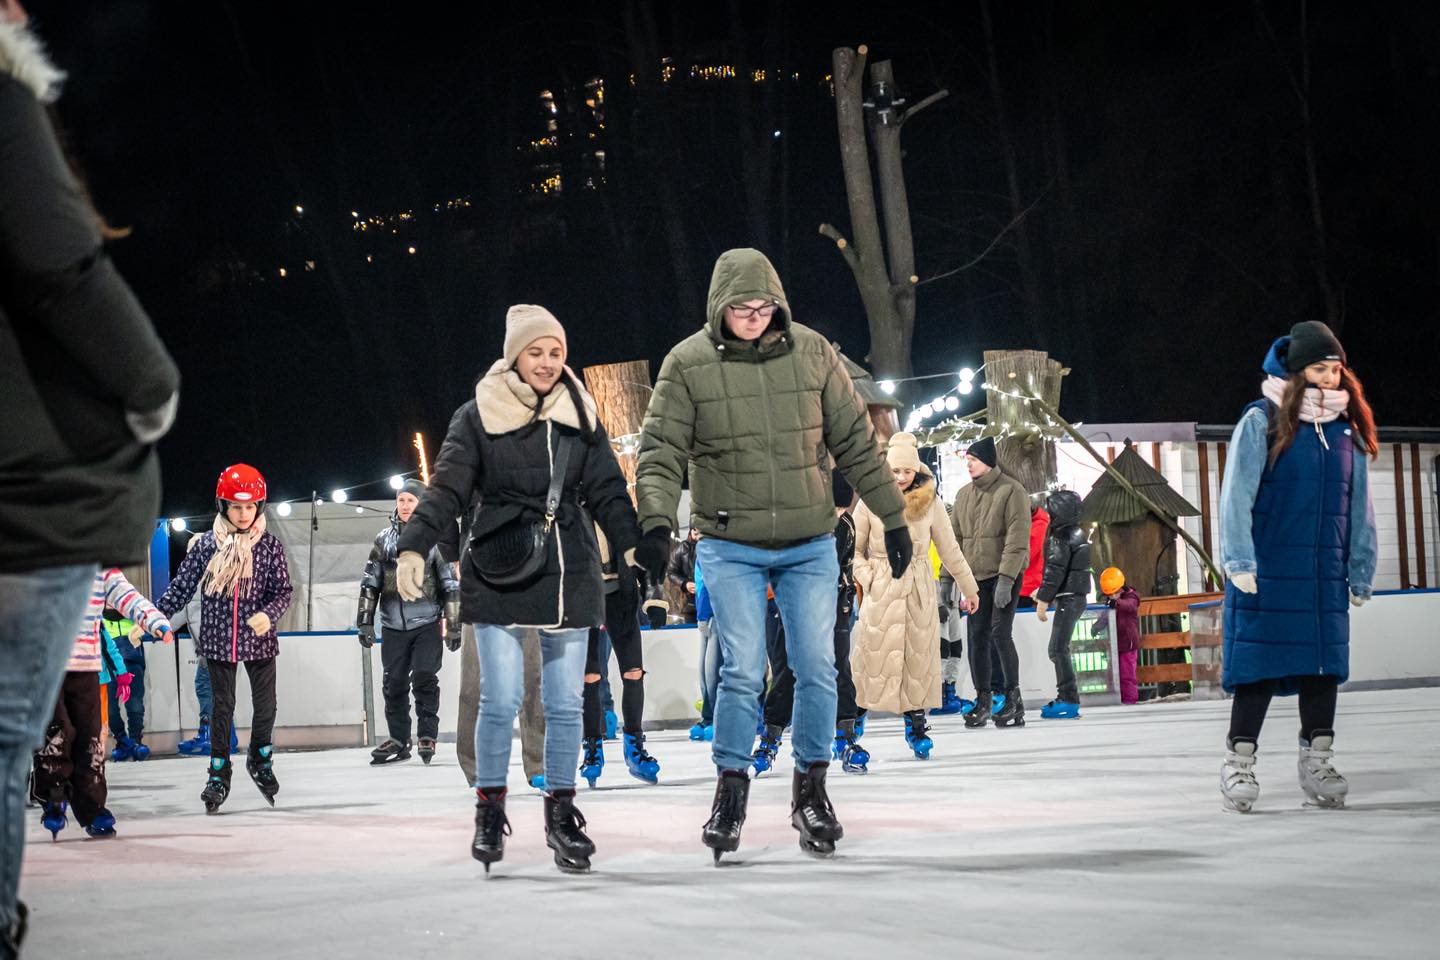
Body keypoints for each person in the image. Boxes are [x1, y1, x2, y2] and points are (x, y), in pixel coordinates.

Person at [0, 5, 180, 951]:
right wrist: (151, 385)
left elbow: (126, 599)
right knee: (8, 731)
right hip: (29, 493)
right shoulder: (1, 97)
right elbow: (62, 262)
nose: (23, 12)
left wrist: (153, 619)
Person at [634, 248, 911, 862]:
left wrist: (892, 516)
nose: (755, 316)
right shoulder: (687, 363)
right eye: (742, 308)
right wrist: (655, 523)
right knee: (741, 668)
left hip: (809, 540)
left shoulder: (812, 352)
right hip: (729, 543)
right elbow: (660, 452)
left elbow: (856, 441)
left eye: (764, 306)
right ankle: (730, 793)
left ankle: (811, 791)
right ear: (719, 307)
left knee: (817, 666)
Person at [396, 305, 642, 875]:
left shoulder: (579, 412)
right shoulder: (478, 413)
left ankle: (561, 813)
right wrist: (413, 545)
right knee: (501, 697)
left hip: (570, 570)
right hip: (499, 566)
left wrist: (632, 543)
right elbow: (448, 488)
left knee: (563, 703)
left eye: (556, 352)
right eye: (537, 352)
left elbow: (607, 488)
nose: (548, 362)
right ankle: (489, 808)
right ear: (515, 356)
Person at [1217, 321, 1376, 813]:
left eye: (1335, 370)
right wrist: (1239, 560)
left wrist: (1361, 568)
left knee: (1322, 669)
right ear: (1296, 370)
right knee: (1258, 668)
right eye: (1319, 369)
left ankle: (1317, 761)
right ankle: (1239, 763)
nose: (1329, 379)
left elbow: (1359, 508)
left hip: (1323, 575)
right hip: (1267, 571)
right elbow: (1235, 496)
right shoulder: (1261, 420)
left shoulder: (1346, 432)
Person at [156, 465, 293, 814]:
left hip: (258, 638)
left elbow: (283, 591)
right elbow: (182, 587)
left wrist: (269, 614)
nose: (243, 514)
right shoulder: (206, 546)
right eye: (236, 507)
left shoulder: (269, 547)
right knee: (222, 706)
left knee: (266, 704)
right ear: (223, 506)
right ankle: (219, 772)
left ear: (259, 507)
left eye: (249, 507)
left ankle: (260, 757)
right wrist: (153, 617)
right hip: (218, 637)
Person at [851, 435, 980, 760]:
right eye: (895, 470)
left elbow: (949, 549)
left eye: (907, 471)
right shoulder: (870, 498)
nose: (901, 477)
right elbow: (853, 550)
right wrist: (870, 577)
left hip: (919, 590)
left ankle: (917, 725)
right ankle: (853, 721)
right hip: (881, 590)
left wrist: (970, 587)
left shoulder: (930, 501)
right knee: (872, 659)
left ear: (917, 468)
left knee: (917, 660)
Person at [33, 570, 171, 839]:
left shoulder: (100, 563)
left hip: (87, 665)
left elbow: (125, 595)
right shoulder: (37, 557)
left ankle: (93, 808)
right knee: (56, 731)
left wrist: (154, 620)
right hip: (45, 663)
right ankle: (53, 795)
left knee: (91, 736)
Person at [357, 480, 461, 766]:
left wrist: (453, 625)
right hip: (393, 626)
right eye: (401, 500)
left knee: (425, 677)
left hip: (427, 623)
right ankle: (399, 739)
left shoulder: (434, 539)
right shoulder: (383, 540)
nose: (404, 506)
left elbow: (450, 585)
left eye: (410, 501)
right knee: (394, 683)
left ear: (421, 504)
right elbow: (370, 582)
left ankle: (427, 735)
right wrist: (365, 620)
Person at [950, 436, 1031, 728]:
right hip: (975, 578)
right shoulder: (963, 495)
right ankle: (983, 699)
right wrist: (949, 579)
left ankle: (1013, 698)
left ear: (987, 461)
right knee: (977, 637)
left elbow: (1017, 539)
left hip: (1003, 574)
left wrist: (1007, 579)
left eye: (973, 460)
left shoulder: (1012, 491)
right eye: (968, 460)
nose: (969, 465)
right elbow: (954, 541)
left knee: (1000, 632)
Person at [579, 525, 661, 787]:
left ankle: (634, 746)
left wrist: (653, 596)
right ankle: (592, 748)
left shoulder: (618, 511)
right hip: (584, 597)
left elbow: (644, 553)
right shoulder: (572, 510)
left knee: (634, 672)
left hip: (622, 595)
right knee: (590, 676)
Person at [1032, 489, 1092, 719]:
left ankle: (1068, 698)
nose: (1049, 515)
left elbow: (1055, 571)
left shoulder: (1061, 536)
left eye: (1052, 511)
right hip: (1076, 596)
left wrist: (1043, 599)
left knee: (1057, 648)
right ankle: (1068, 697)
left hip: (1069, 598)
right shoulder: (1077, 533)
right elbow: (1063, 570)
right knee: (1059, 648)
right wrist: (1044, 592)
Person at [104, 609, 151, 761]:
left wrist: (143, 628)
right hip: (108, 663)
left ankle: (135, 741)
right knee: (110, 708)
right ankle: (123, 741)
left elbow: (149, 617)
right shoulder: (98, 613)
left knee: (134, 704)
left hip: (132, 657)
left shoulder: (132, 608)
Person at [1100, 567, 1141, 704]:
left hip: (1128, 644)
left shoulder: (1132, 596)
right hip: (1114, 644)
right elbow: (1105, 616)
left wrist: (1117, 602)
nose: (1112, 596)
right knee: (1111, 675)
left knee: (1127, 674)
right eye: (1109, 594)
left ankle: (1129, 700)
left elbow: (1130, 606)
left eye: (1115, 593)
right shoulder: (1111, 601)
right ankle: (1114, 699)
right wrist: (1097, 626)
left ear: (1121, 588)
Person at [666, 527, 701, 622]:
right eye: (694, 529)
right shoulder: (682, 548)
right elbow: (671, 572)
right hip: (690, 603)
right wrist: (684, 583)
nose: (697, 532)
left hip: (713, 602)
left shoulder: (714, 547)